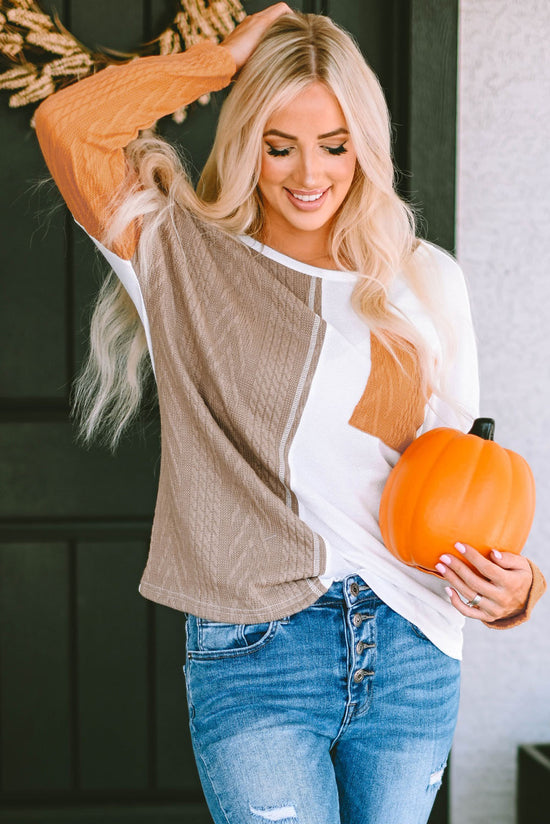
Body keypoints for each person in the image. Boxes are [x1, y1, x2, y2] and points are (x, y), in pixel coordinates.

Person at [34, 4, 545, 823]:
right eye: (280, 145)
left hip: (413, 646)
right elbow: (67, 123)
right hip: (258, 649)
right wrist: (224, 60)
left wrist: (520, 589)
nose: (310, 173)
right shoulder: (183, 257)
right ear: (248, 147)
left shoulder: (426, 281)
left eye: (335, 145)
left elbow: (463, 479)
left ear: (365, 148)